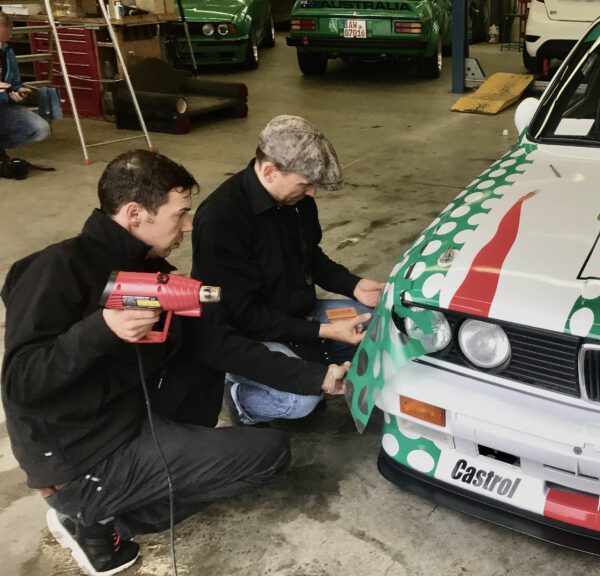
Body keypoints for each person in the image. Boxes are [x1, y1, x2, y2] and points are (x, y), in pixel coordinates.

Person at [1, 150, 352, 576]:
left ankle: (147, 473)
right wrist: (102, 328)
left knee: (202, 354)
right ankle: (94, 519)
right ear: (135, 214)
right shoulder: (57, 268)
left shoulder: (151, 273)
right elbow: (21, 383)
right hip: (81, 457)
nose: (189, 225)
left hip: (127, 413)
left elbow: (221, 347)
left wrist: (320, 378)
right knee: (269, 454)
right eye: (180, 214)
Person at [192, 115, 385, 426]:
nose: (312, 193)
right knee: (301, 400)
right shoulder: (220, 220)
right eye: (305, 184)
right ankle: (239, 397)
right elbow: (242, 315)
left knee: (380, 323)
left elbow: (310, 256)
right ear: (269, 171)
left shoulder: (296, 201)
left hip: (298, 315)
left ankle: (314, 360)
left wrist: (355, 286)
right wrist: (324, 331)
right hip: (249, 334)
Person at [0, 11, 50, 162]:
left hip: (2, 107)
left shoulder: (7, 52)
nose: (2, 44)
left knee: (40, 129)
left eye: (3, 41)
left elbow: (14, 83)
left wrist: (16, 91)